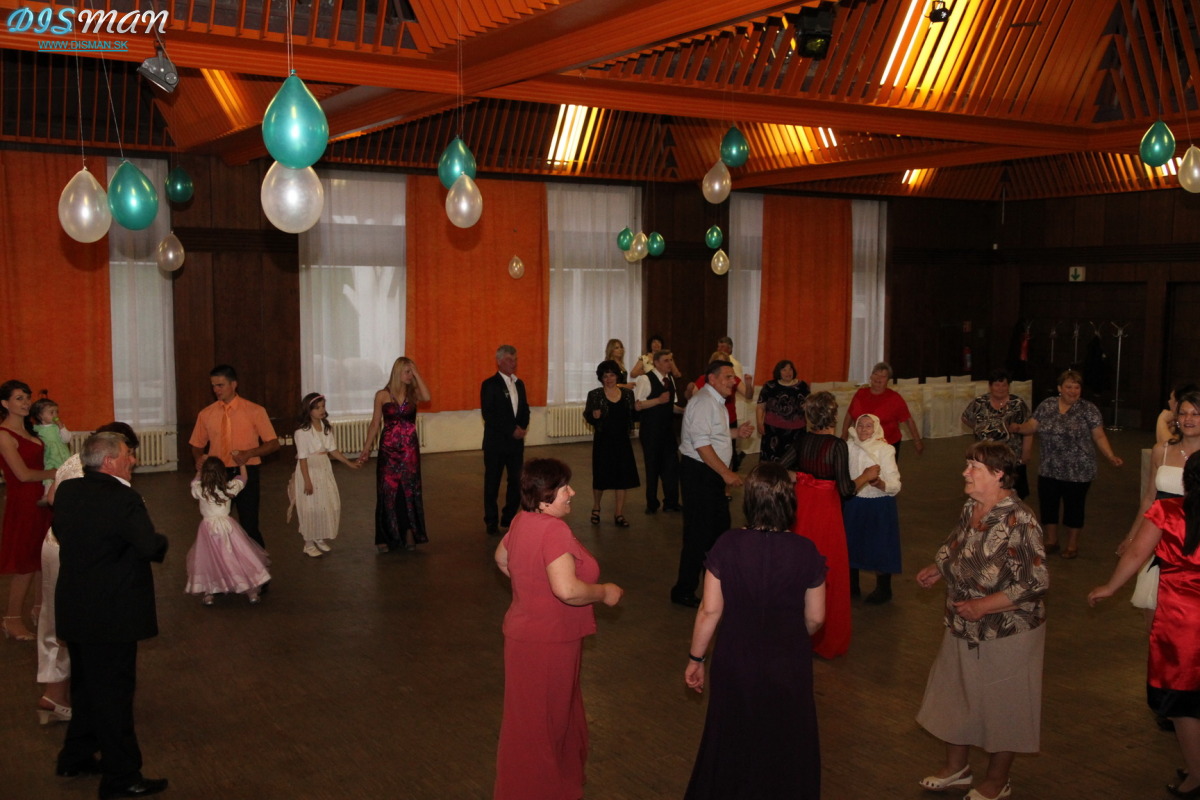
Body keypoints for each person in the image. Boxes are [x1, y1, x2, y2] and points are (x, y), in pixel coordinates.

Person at [682, 462, 826, 800]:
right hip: (788, 660)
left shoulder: (727, 544)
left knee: (732, 733)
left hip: (736, 657)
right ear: (789, 501)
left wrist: (695, 658)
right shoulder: (806, 550)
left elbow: (709, 610)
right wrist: (790, 635)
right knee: (786, 735)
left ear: (750, 500)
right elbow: (816, 618)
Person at [915, 442, 1048, 800]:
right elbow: (957, 545)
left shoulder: (1019, 520)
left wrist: (985, 605)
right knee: (957, 692)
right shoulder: (972, 507)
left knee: (1004, 704)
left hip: (1007, 629)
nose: (965, 472)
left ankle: (997, 780)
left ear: (999, 474)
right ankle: (956, 769)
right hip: (962, 622)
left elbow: (1035, 582)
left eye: (973, 466)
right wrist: (938, 568)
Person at [493, 458, 623, 800]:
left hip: (527, 635)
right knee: (545, 723)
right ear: (545, 497)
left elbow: (502, 558)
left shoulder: (522, 520)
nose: (572, 493)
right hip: (549, 642)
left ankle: (552, 785)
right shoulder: (553, 530)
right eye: (565, 488)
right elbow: (567, 590)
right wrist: (604, 592)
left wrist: (532, 585)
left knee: (538, 718)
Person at [54, 432, 169, 800]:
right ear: (108, 462)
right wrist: (162, 542)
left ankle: (75, 756)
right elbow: (148, 545)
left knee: (86, 685)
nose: (133, 460)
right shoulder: (124, 498)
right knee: (114, 694)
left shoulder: (68, 490)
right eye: (127, 455)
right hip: (112, 612)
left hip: (76, 606)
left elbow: (61, 531)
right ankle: (122, 776)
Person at [1089, 456, 1200, 798]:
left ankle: (1197, 775)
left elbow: (1137, 553)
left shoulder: (1168, 512)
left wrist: (1110, 587)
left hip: (1181, 621)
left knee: (1182, 702)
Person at [37, 422, 139, 728]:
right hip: (81, 553)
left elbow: (52, 498)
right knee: (85, 623)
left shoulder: (74, 460)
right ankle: (81, 698)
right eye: (129, 452)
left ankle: (54, 694)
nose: (132, 459)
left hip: (53, 544)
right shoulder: (111, 477)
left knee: (54, 618)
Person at [779, 392, 877, 658]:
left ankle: (793, 633)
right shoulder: (836, 445)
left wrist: (800, 477)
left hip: (802, 509)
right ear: (833, 415)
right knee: (827, 569)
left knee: (799, 568)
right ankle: (825, 638)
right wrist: (866, 476)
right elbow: (846, 489)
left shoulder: (802, 440)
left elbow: (777, 468)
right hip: (826, 512)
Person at [1008, 368, 1123, 558]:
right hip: (1049, 467)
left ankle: (1072, 545)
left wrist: (1110, 455)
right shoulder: (1047, 405)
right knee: (1048, 506)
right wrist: (1019, 428)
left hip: (1079, 470)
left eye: (1077, 387)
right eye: (1069, 387)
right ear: (1059, 388)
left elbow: (1099, 436)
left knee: (1074, 508)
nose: (1073, 391)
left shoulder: (1088, 409)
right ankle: (1051, 541)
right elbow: (1033, 426)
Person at [671, 360, 754, 608]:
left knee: (717, 532)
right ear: (712, 379)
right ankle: (683, 590)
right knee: (698, 534)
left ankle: (714, 585)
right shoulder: (703, 403)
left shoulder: (716, 401)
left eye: (733, 377)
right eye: (728, 377)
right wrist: (726, 473)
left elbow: (713, 435)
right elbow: (701, 444)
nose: (733, 381)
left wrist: (736, 433)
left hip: (709, 474)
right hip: (700, 474)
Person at [1119, 390, 1200, 628]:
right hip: (1157, 538)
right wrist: (1132, 536)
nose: (1188, 419)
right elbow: (1149, 499)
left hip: (1193, 542)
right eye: (1183, 413)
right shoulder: (1161, 450)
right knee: (1154, 617)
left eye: (1195, 413)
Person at [189, 364, 280, 549]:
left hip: (247, 471)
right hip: (216, 474)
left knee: (249, 524)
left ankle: (256, 563)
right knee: (217, 524)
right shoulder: (206, 414)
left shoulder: (255, 411)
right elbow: (196, 445)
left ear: (233, 384)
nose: (216, 390)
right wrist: (199, 458)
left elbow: (273, 443)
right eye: (213, 386)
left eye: (220, 385)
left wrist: (249, 454)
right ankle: (224, 561)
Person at [0, 379, 54, 642]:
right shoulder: (3, 434)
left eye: (27, 398)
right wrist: (57, 472)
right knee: (24, 563)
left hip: (42, 499)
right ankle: (11, 619)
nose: (25, 403)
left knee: (43, 559)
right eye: (19, 398)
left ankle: (40, 609)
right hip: (23, 503)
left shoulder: (32, 430)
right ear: (4, 403)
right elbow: (22, 474)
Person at [358, 357, 431, 551]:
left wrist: (417, 373)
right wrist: (366, 448)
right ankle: (385, 536)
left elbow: (427, 396)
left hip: (409, 450)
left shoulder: (413, 393)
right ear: (398, 372)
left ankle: (409, 533)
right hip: (389, 450)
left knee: (410, 490)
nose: (410, 376)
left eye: (411, 372)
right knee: (387, 490)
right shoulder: (382, 395)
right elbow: (375, 423)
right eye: (407, 372)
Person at [186, 458, 271, 606]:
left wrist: (199, 469)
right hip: (227, 528)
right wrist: (242, 464)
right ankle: (250, 591)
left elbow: (195, 481)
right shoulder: (228, 488)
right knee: (237, 558)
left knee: (210, 560)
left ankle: (209, 592)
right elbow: (243, 479)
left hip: (208, 530)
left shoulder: (200, 489)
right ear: (223, 473)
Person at [290, 392, 360, 557]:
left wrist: (349, 463)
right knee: (310, 507)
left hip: (324, 469)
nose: (321, 410)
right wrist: (307, 481)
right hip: (309, 470)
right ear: (308, 410)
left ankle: (319, 536)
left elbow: (333, 450)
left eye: (323, 407)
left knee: (325, 504)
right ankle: (308, 543)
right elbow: (303, 459)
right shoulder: (302, 432)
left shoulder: (326, 428)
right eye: (317, 408)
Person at [845, 413, 902, 604]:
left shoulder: (885, 449)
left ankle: (884, 589)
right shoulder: (847, 447)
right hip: (854, 502)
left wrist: (880, 484)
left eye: (868, 426)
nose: (863, 429)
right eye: (860, 425)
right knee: (851, 543)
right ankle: (851, 585)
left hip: (878, 504)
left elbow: (895, 483)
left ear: (876, 429)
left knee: (880, 545)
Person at [480, 346, 530, 536]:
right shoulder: (489, 384)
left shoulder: (519, 384)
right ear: (499, 361)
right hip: (496, 443)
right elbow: (489, 414)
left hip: (515, 444)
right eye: (510, 360)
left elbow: (525, 409)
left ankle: (508, 517)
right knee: (492, 483)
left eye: (515, 359)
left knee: (517, 482)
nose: (513, 363)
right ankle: (491, 520)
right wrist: (511, 430)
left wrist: (522, 427)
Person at [583, 360, 639, 527]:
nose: (609, 379)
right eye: (605, 376)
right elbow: (588, 416)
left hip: (622, 441)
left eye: (612, 375)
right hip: (603, 441)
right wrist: (594, 416)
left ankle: (619, 513)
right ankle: (596, 507)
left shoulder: (627, 394)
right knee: (600, 476)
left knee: (622, 477)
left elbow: (633, 417)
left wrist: (639, 409)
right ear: (601, 378)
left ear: (617, 376)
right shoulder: (595, 394)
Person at [961, 368, 1032, 498]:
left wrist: (1026, 453)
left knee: (1014, 494)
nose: (1000, 388)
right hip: (985, 459)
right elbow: (965, 418)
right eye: (997, 385)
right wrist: (980, 428)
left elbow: (1029, 427)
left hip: (1011, 458)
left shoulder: (1018, 404)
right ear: (990, 386)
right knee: (986, 493)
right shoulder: (979, 403)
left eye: (1004, 385)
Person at [633, 349, 682, 514]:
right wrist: (658, 400)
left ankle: (671, 502)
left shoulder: (669, 380)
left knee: (671, 466)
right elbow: (638, 405)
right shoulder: (645, 379)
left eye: (671, 360)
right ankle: (652, 503)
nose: (670, 363)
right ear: (656, 363)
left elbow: (670, 405)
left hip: (667, 430)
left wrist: (684, 411)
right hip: (651, 431)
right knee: (652, 467)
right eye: (666, 360)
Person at [842, 361, 924, 459]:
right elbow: (849, 414)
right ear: (871, 376)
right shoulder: (860, 393)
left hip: (887, 445)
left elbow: (908, 420)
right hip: (861, 442)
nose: (878, 378)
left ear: (888, 380)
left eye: (883, 376)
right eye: (875, 374)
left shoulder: (894, 398)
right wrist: (844, 434)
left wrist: (917, 441)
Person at [755, 359, 809, 463]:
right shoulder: (769, 386)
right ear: (778, 372)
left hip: (797, 431)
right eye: (784, 370)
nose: (788, 372)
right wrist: (759, 423)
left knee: (794, 460)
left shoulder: (803, 386)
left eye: (790, 369)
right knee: (771, 461)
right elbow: (760, 406)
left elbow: (809, 406)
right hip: (773, 431)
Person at [31, 397, 71, 503]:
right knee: (48, 474)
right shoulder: (36, 429)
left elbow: (67, 439)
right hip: (49, 456)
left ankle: (65, 493)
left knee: (64, 474)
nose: (55, 415)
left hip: (62, 455)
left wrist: (62, 427)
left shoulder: (57, 427)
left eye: (56, 412)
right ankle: (46, 495)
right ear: (40, 416)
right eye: (51, 412)